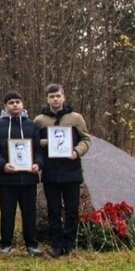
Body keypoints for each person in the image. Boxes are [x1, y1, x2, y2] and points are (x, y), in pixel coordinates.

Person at [34, 83, 91, 258]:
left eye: (58, 96)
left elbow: (86, 139)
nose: (55, 99)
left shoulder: (76, 118)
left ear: (63, 96)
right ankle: (56, 245)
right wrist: (41, 143)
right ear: (47, 99)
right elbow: (33, 145)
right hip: (51, 172)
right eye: (52, 97)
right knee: (54, 210)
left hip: (71, 170)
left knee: (72, 210)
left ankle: (70, 244)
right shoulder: (40, 121)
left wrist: (77, 151)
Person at [0, 91, 44, 257]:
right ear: (5, 106)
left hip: (28, 178)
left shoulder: (32, 126)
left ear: (22, 104)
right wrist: (2, 165)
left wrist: (38, 164)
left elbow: (39, 150)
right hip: (7, 178)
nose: (15, 105)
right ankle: (6, 244)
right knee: (7, 212)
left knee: (29, 212)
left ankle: (31, 245)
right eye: (11, 102)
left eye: (17, 102)